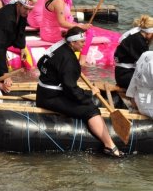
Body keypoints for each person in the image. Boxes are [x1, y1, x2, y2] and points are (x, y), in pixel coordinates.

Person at [36, 26, 124, 157]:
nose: (84, 45)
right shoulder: (69, 61)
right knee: (91, 109)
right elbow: (71, 89)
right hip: (51, 97)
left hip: (43, 90)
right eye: (82, 42)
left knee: (85, 99)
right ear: (72, 42)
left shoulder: (58, 46)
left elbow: (40, 63)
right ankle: (109, 146)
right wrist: (88, 95)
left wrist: (57, 76)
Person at [40, 0, 93, 65]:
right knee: (89, 32)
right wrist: (81, 27)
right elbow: (61, 22)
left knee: (80, 26)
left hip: (47, 31)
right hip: (53, 33)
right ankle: (82, 61)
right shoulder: (59, 2)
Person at [0, 0, 37, 80]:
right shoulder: (6, 18)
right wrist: (4, 74)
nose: (27, 12)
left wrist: (22, 48)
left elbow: (21, 29)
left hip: (1, 41)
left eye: (30, 10)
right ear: (19, 4)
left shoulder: (21, 12)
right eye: (26, 8)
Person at [114, 15, 153, 89]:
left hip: (122, 73)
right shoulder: (139, 41)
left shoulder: (136, 35)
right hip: (125, 75)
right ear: (150, 32)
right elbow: (146, 63)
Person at [126, 51, 153, 118]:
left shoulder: (146, 54)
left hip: (139, 100)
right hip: (149, 106)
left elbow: (134, 79)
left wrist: (132, 98)